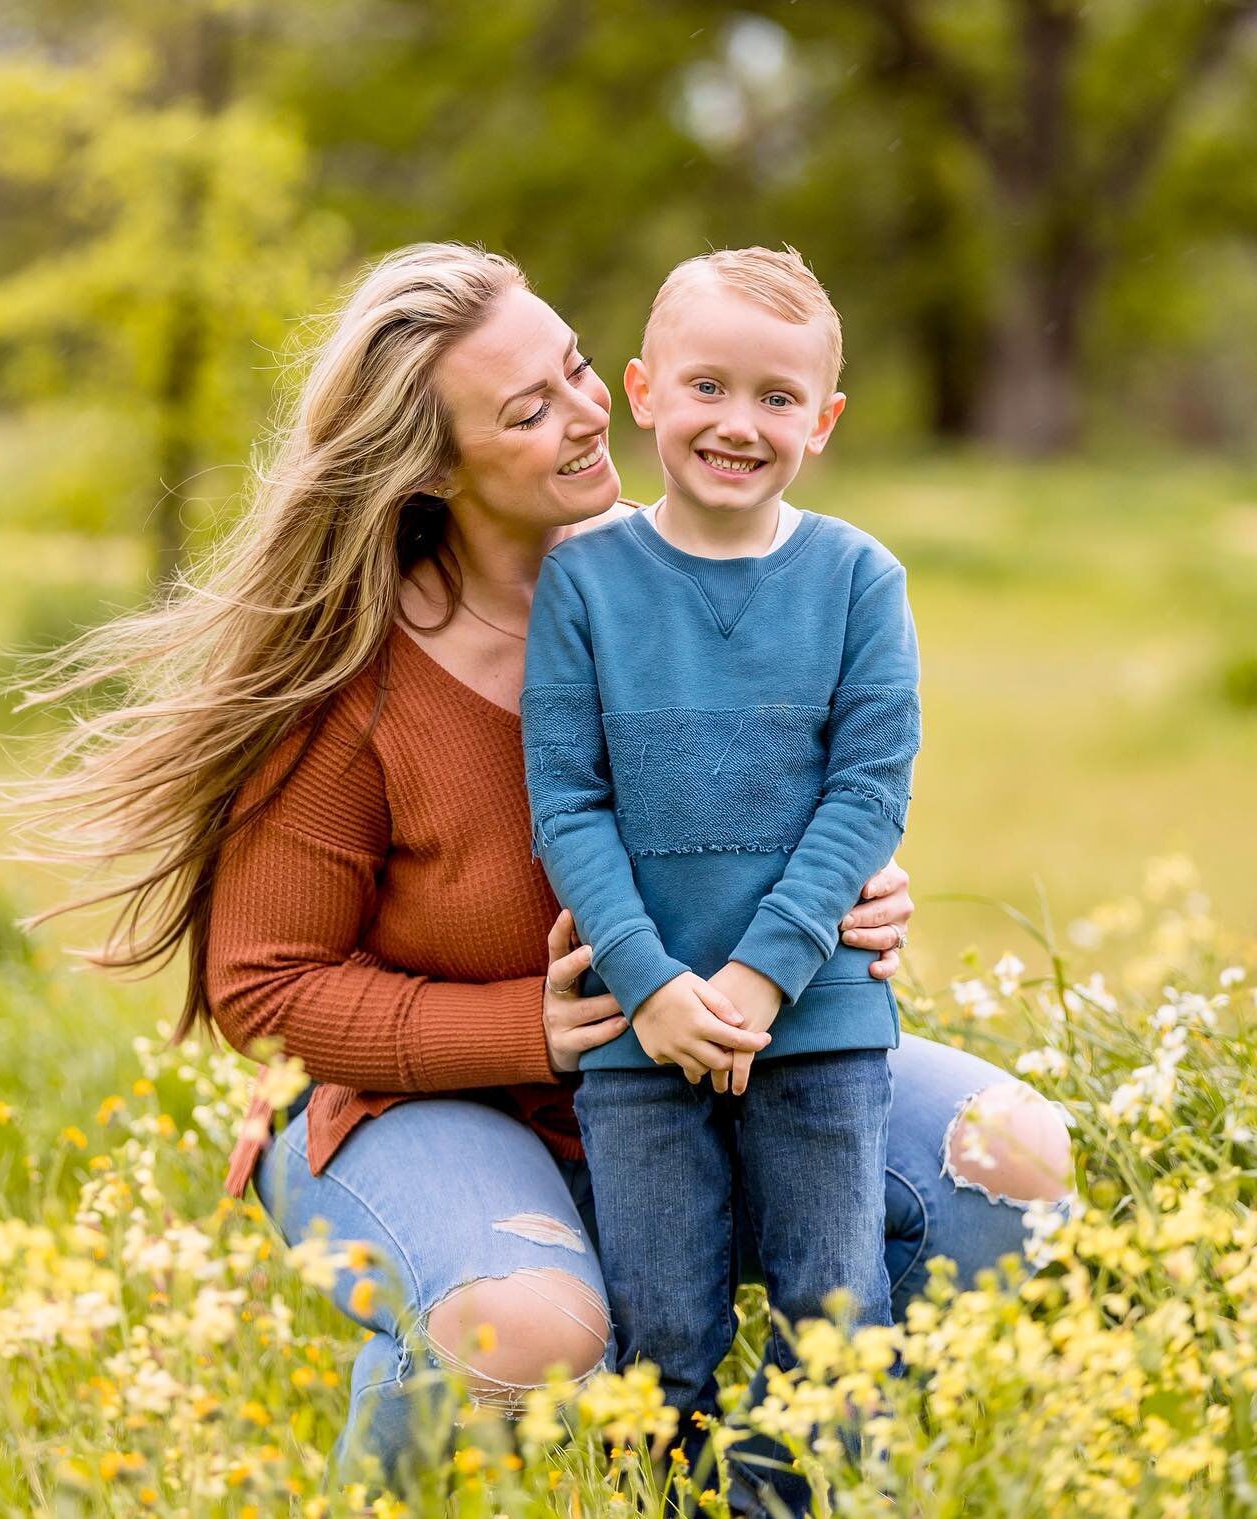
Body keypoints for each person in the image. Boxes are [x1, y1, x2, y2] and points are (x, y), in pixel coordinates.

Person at [1, 242, 1074, 1494]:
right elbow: (265, 989)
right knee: (531, 1331)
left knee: (1008, 1166)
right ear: (434, 466)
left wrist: (847, 899)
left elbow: (827, 783)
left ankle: (812, 1475)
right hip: (428, 1107)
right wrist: (533, 1026)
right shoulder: (350, 680)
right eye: (529, 409)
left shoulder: (710, 559)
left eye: (574, 369)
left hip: (720, 1057)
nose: (586, 414)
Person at [522, 245, 915, 1509]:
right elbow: (568, 803)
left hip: (818, 1020)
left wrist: (761, 972)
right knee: (664, 1340)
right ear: (642, 390)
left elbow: (868, 792)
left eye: (778, 398)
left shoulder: (859, 578)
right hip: (642, 1038)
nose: (739, 424)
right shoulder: (584, 581)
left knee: (834, 1328)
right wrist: (651, 986)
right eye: (706, 385)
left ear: (825, 420)